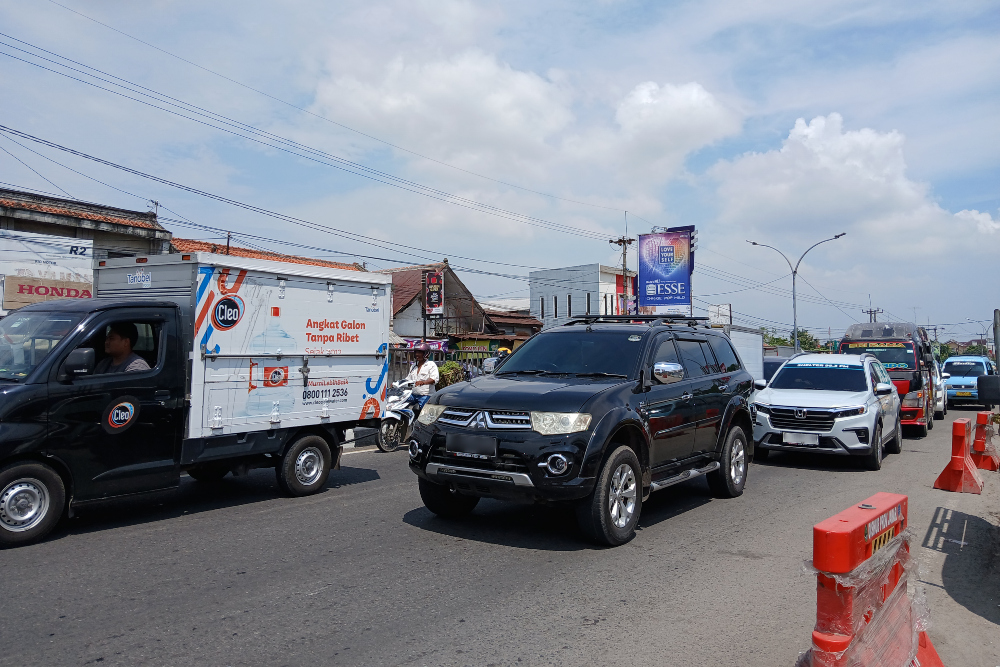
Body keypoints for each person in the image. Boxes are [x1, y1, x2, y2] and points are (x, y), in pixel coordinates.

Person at [405, 343, 439, 410]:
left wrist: (423, 382)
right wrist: (397, 384)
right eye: (416, 352)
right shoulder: (413, 366)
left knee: (422, 411)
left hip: (426, 395)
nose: (417, 354)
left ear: (426, 353)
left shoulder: (431, 365)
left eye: (420, 352)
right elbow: (408, 380)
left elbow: (434, 379)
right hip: (413, 395)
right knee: (399, 402)